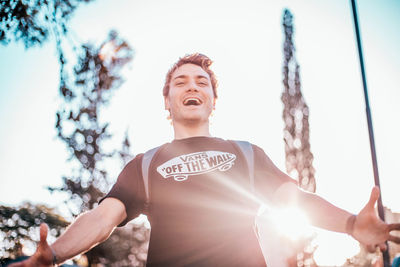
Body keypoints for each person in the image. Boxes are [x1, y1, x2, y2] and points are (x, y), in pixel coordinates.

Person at [10, 53, 400, 267]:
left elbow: (293, 202)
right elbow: (101, 219)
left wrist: (350, 223)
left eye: (202, 82)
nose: (192, 86)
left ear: (213, 99)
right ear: (167, 102)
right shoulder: (144, 165)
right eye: (181, 82)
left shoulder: (246, 154)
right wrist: (56, 253)